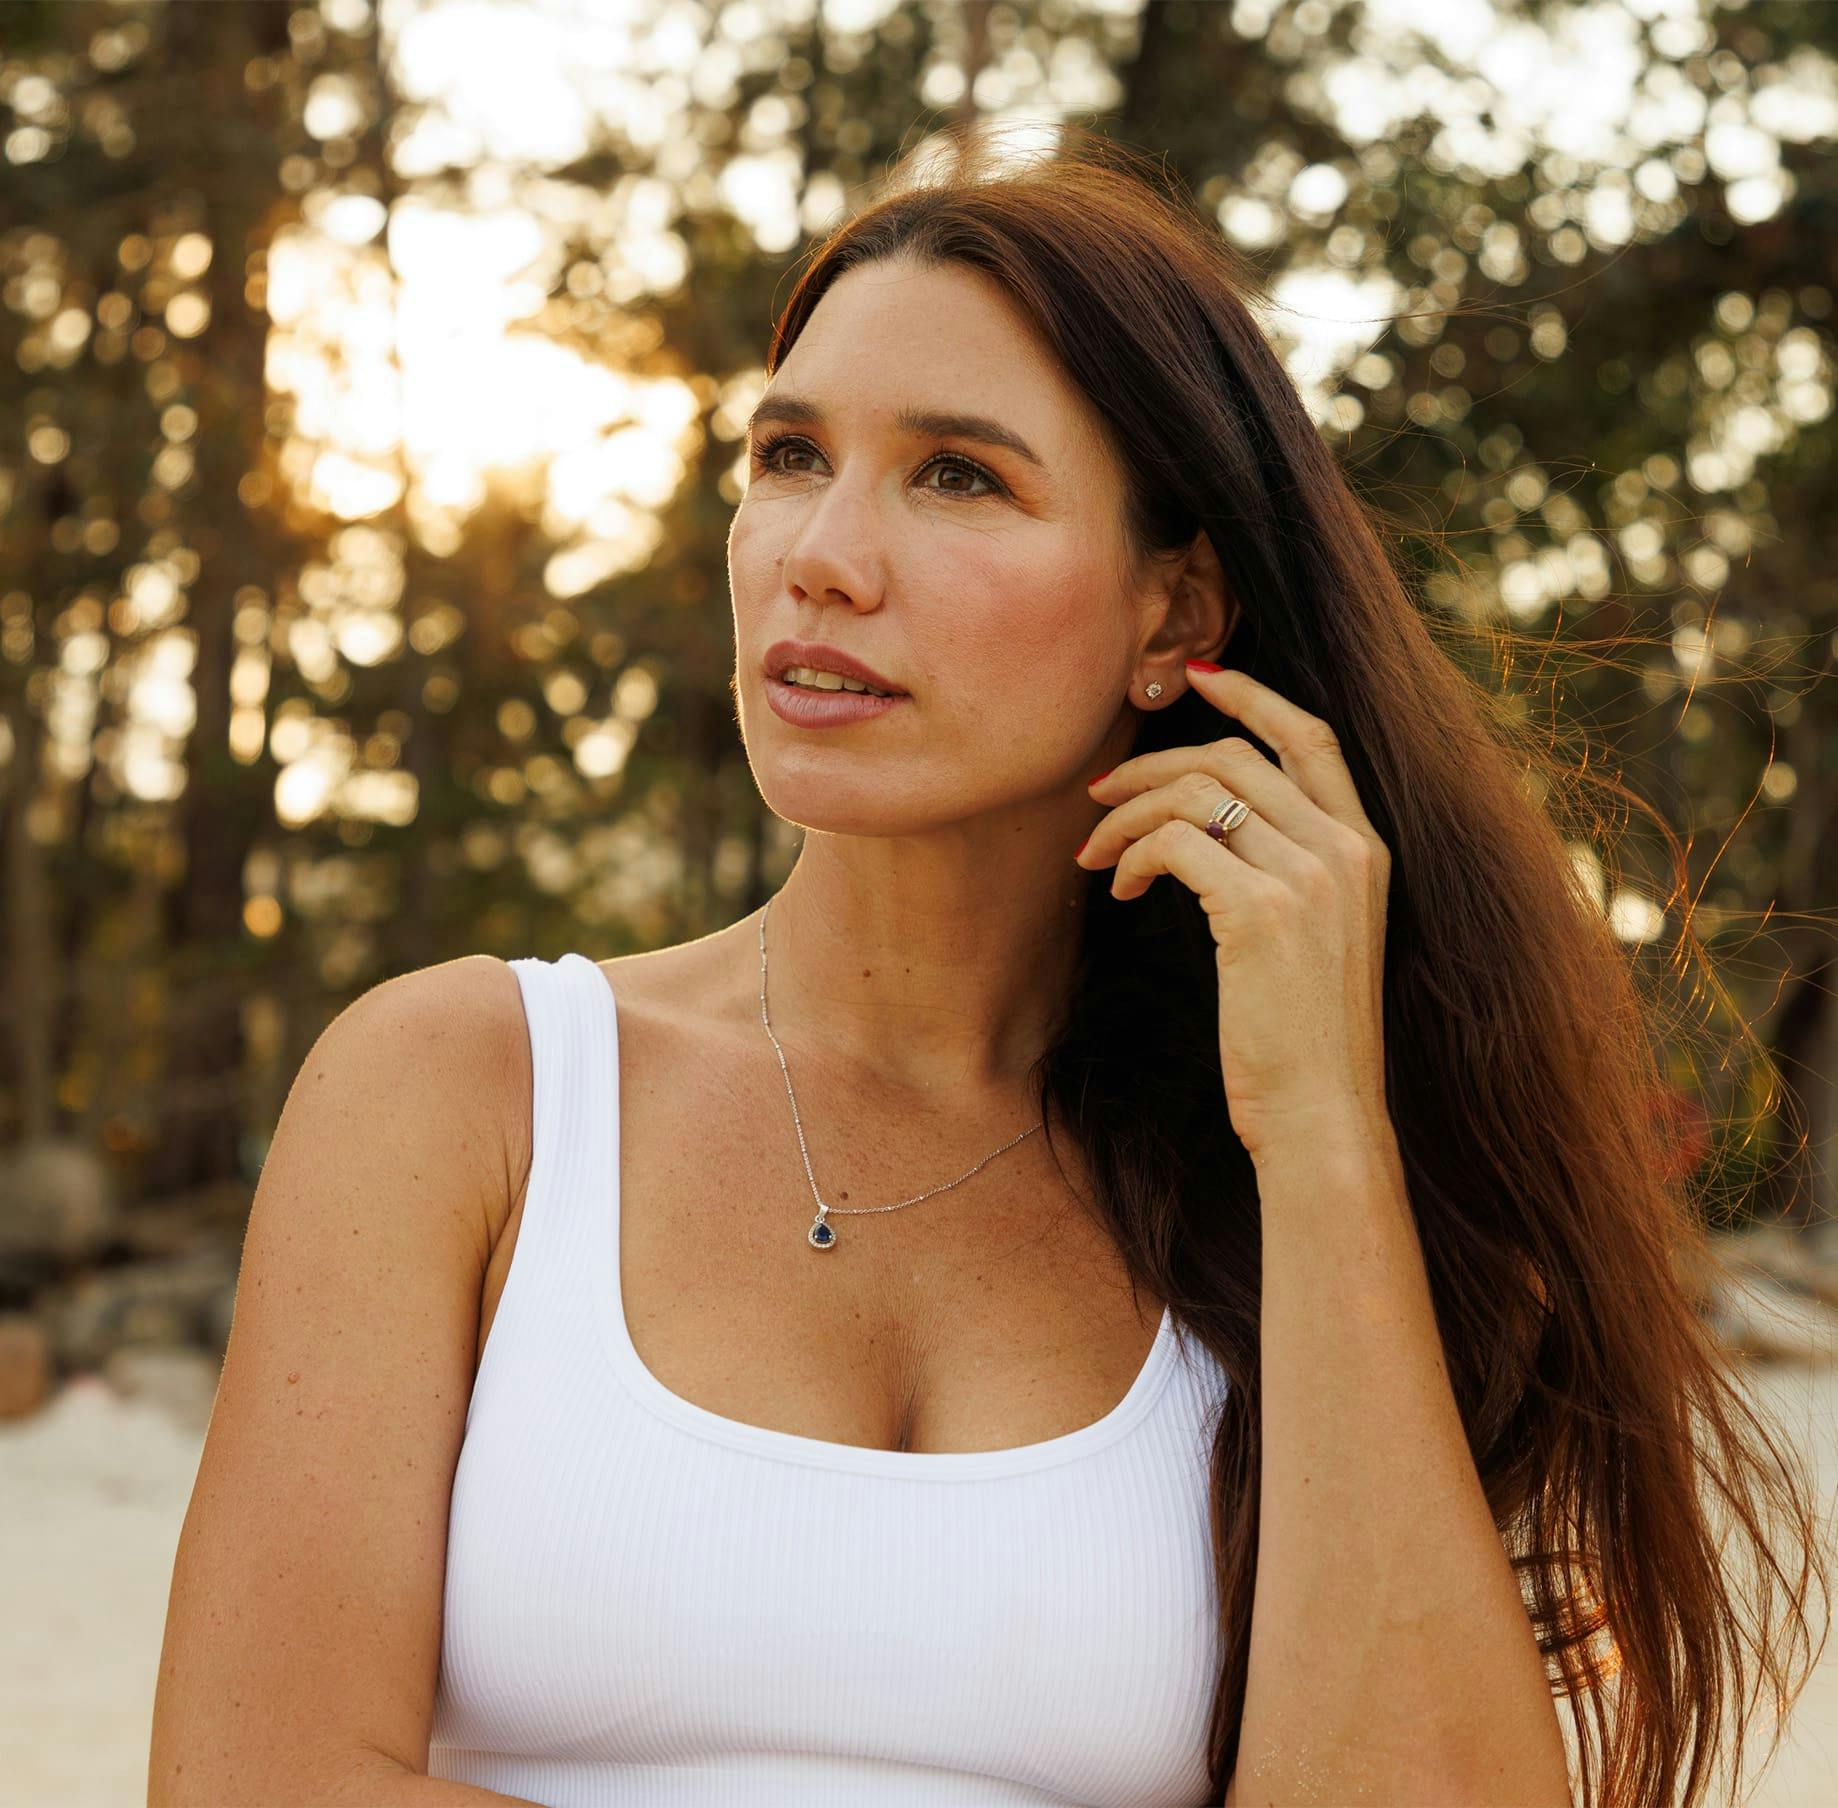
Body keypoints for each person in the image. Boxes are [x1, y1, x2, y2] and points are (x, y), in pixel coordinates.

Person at [149, 127, 1828, 1808]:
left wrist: (1320, 1139)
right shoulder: (463, 1088)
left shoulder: (1288, 1203)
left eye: (957, 475)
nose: (821, 553)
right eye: (789, 455)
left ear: (1174, 615)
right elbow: (246, 1783)